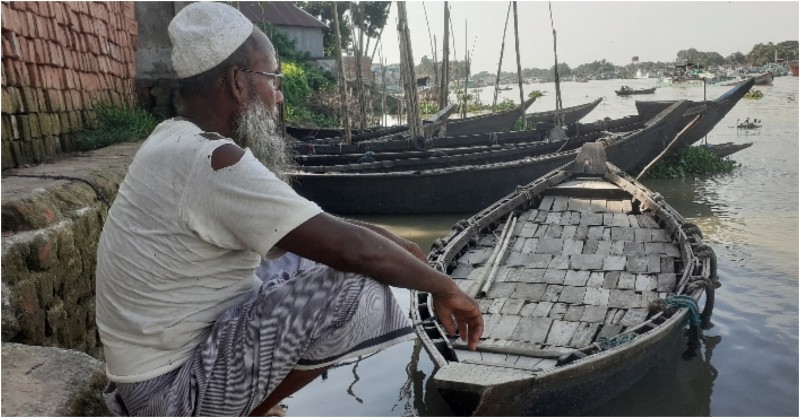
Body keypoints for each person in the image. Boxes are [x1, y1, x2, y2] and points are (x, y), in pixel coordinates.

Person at [95, 2, 483, 416]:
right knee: (357, 287)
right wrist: (445, 287)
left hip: (151, 377)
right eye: (272, 78)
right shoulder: (214, 161)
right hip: (169, 397)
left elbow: (309, 228)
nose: (278, 95)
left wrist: (393, 242)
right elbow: (350, 250)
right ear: (237, 83)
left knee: (309, 257)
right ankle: (256, 408)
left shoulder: (173, 140)